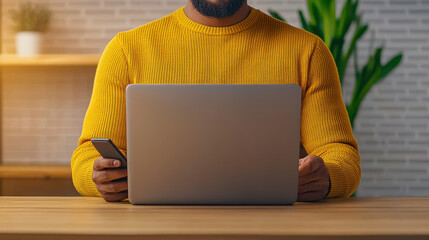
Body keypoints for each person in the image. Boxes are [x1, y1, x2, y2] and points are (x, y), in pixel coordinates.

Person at [71, 0, 361, 202]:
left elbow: (341, 155)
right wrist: (99, 177)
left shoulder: (307, 51)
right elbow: (86, 157)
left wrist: (328, 178)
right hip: (155, 227)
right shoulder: (126, 50)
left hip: (274, 228)